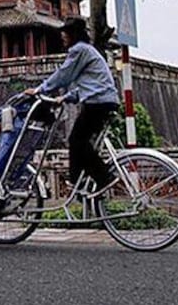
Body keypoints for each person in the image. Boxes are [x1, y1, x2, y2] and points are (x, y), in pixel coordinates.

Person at [24, 16, 120, 197]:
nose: (63, 37)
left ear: (73, 34)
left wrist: (40, 89)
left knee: (77, 140)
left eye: (65, 34)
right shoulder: (88, 50)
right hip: (104, 100)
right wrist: (66, 98)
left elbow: (64, 74)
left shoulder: (79, 50)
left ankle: (103, 177)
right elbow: (87, 85)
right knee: (78, 141)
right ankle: (78, 182)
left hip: (97, 103)